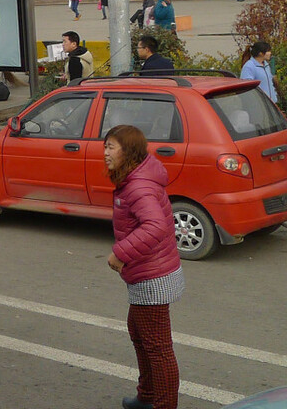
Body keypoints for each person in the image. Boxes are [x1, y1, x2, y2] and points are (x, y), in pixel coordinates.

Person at [103, 125, 183, 409]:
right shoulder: (134, 178)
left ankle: (162, 404)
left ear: (129, 152)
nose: (106, 153)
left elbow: (156, 225)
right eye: (106, 147)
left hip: (153, 277)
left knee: (158, 349)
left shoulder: (138, 186)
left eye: (111, 147)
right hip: (149, 273)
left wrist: (121, 253)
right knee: (139, 333)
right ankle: (147, 396)